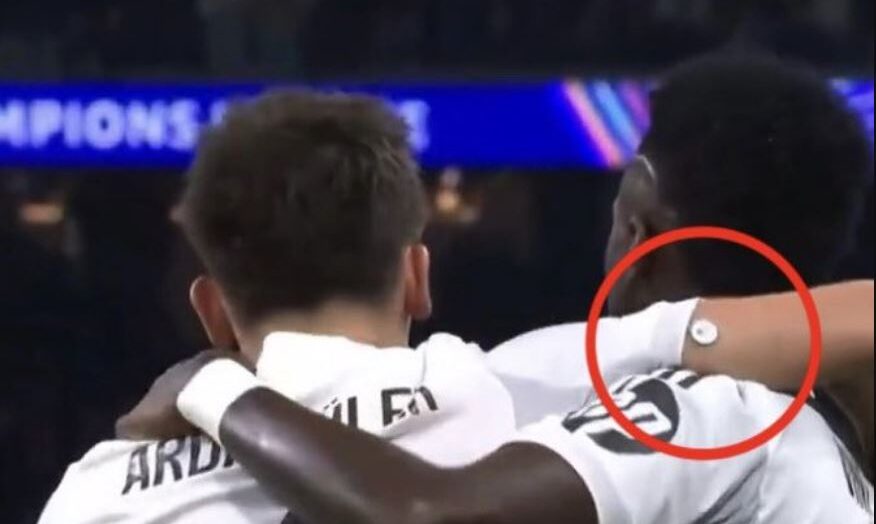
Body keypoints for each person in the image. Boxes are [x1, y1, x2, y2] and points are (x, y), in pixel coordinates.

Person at [122, 54, 874, 524]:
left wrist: (214, 385)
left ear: (638, 231)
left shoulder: (709, 408)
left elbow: (425, 514)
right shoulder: (826, 443)